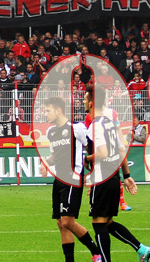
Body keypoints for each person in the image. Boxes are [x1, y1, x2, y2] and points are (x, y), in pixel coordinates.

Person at [85, 87, 150, 262]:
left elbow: (102, 153)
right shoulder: (109, 123)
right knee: (107, 223)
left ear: (91, 103)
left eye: (85, 99)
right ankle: (141, 249)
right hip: (114, 178)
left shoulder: (96, 125)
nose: (83, 102)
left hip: (103, 179)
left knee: (98, 223)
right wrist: (127, 176)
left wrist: (87, 158)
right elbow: (121, 149)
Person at [42, 97, 102, 262]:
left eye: (48, 111)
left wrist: (93, 172)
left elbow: (90, 148)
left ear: (58, 110)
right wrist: (45, 162)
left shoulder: (77, 128)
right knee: (61, 223)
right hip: (59, 179)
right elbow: (55, 155)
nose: (45, 114)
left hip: (73, 178)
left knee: (68, 221)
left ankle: (97, 253)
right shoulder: (51, 132)